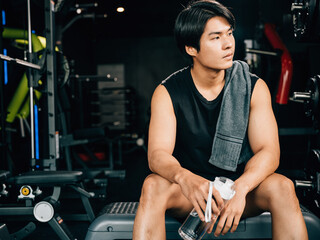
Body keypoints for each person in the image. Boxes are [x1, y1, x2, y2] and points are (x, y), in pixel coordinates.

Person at [132, 0, 309, 239]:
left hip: (241, 193)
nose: (228, 44)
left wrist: (241, 188)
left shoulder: (254, 87)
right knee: (152, 185)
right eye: (215, 38)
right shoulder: (167, 92)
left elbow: (269, 151)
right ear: (191, 49)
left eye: (229, 34)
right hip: (192, 195)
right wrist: (186, 179)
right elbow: (157, 155)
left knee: (283, 187)